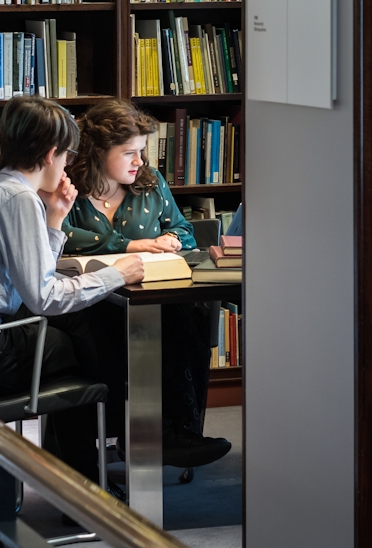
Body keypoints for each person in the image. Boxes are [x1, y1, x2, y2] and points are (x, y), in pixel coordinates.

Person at [0, 95, 144, 483]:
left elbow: (31, 281)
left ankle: (79, 472)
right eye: (69, 155)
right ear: (53, 153)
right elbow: (44, 297)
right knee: (82, 350)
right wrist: (116, 275)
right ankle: (85, 482)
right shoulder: (19, 199)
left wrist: (55, 221)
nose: (69, 164)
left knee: (74, 336)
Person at [63, 99, 232, 469]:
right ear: (97, 152)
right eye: (129, 153)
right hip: (90, 304)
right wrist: (129, 245)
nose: (139, 161)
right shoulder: (67, 187)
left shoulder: (150, 183)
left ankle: (172, 432)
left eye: (141, 151)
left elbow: (185, 233)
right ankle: (145, 435)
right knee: (126, 338)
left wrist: (173, 240)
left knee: (184, 319)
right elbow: (59, 237)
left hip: (148, 297)